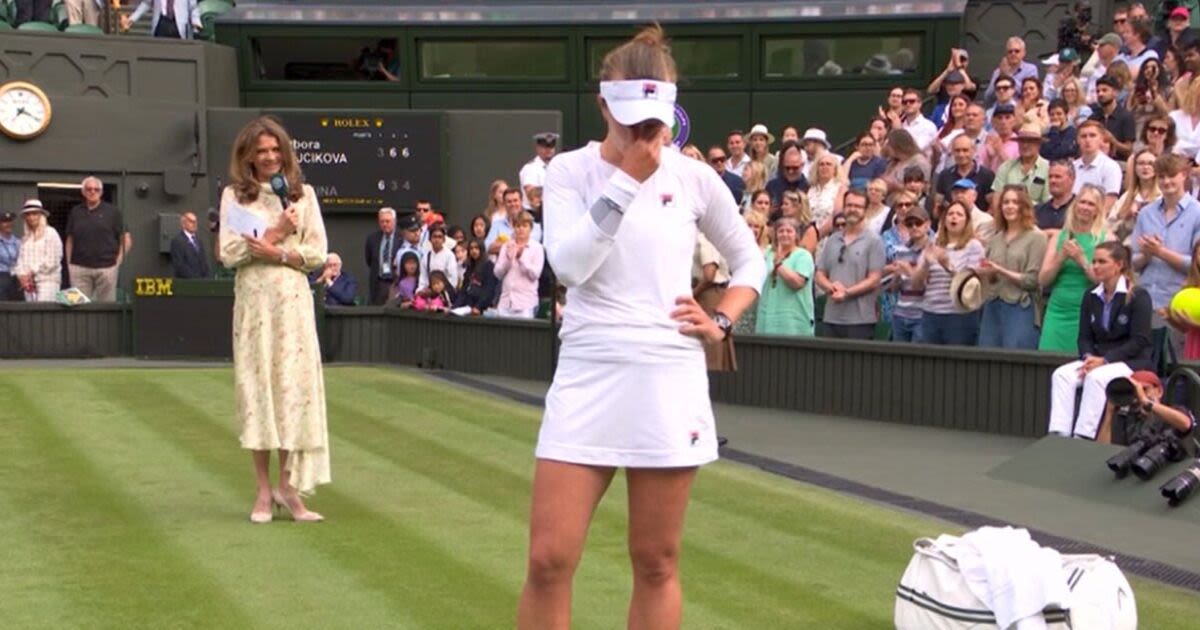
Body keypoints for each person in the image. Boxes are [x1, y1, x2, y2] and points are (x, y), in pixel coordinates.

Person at [524, 25, 765, 629]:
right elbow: (571, 267)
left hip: (667, 374)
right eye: (629, 116)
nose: (643, 131)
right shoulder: (569, 173)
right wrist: (629, 177)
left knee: (656, 560)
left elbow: (750, 260)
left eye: (653, 117)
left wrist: (720, 319)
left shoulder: (694, 177)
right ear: (603, 105)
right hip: (587, 372)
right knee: (549, 559)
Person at [217, 116, 329, 523]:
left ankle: (289, 489)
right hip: (254, 303)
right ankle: (263, 492)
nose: (268, 157)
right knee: (259, 390)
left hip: (293, 302)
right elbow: (229, 253)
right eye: (260, 151)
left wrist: (279, 252)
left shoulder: (304, 195)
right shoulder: (235, 196)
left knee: (292, 391)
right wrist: (275, 231)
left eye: (274, 149)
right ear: (247, 156)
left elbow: (316, 253)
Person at [1047, 242, 1153, 439]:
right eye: (1094, 261)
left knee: (1097, 377)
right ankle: (1059, 435)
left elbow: (1140, 340)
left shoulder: (1139, 295)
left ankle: (1083, 436)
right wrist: (1088, 358)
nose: (1095, 266)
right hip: (1097, 360)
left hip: (1130, 362)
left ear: (1119, 264)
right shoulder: (1090, 295)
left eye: (1102, 261)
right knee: (1061, 375)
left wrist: (1105, 361)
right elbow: (1084, 337)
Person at [1131, 152, 1200, 365]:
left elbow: (1196, 265)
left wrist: (1161, 252)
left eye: (1172, 175)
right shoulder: (1146, 213)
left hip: (1179, 304)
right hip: (1147, 302)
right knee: (1146, 368)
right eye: (1161, 176)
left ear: (1184, 176)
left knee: (1176, 371)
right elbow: (1135, 261)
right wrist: (1147, 254)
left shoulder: (1197, 213)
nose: (1166, 181)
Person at [1038, 184, 1108, 352]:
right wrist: (1061, 257)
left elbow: (1105, 282)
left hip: (1088, 311)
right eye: (1082, 202)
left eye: (1091, 204)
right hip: (1058, 309)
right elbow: (1043, 279)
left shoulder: (1106, 239)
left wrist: (1082, 260)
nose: (1085, 207)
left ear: (1098, 210)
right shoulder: (1059, 237)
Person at [977, 186, 1048, 349]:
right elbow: (993, 278)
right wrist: (987, 272)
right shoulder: (996, 239)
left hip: (1020, 307)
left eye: (1015, 202)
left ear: (1024, 206)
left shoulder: (1036, 237)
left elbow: (1032, 281)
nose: (1009, 206)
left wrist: (1000, 270)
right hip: (993, 305)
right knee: (987, 358)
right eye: (1005, 202)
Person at [814, 189, 885, 339]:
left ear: (866, 210)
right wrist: (831, 288)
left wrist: (847, 293)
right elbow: (820, 273)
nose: (853, 209)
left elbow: (874, 279)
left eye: (858, 206)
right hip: (831, 318)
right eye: (849, 205)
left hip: (860, 320)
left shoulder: (874, 241)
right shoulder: (833, 239)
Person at [911, 201, 985, 345]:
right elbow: (916, 284)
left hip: (959, 317)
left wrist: (947, 266)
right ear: (944, 220)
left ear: (967, 221)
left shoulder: (973, 246)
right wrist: (925, 264)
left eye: (959, 214)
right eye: (950, 214)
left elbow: (971, 283)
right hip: (931, 313)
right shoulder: (933, 245)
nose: (954, 217)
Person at [65, 176, 131, 303]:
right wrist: (69, 263)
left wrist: (117, 263)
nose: (92, 192)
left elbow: (126, 239)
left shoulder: (113, 212)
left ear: (101, 192)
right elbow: (70, 239)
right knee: (78, 307)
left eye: (96, 189)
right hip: (79, 269)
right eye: (89, 189)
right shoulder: (75, 212)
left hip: (106, 268)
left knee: (106, 308)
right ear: (83, 192)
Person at [756, 217, 814, 336]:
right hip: (767, 316)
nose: (785, 234)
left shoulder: (803, 255)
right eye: (781, 231)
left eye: (789, 231)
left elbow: (797, 283)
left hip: (792, 320)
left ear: (796, 235)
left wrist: (779, 265)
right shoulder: (767, 253)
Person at [886, 203, 931, 342]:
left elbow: (931, 286)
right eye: (909, 224)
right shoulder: (901, 250)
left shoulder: (934, 251)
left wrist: (909, 271)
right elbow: (894, 289)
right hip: (900, 312)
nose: (914, 227)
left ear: (927, 225)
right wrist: (897, 276)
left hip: (922, 315)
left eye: (918, 223)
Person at [493, 211, 544, 318]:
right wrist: (508, 260)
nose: (521, 229)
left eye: (524, 226)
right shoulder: (506, 246)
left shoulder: (537, 248)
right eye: (518, 226)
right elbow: (497, 273)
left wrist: (521, 258)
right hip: (505, 302)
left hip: (526, 303)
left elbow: (535, 275)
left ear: (530, 228)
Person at [991, 123, 1052, 208]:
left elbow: (1048, 203)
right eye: (1022, 141)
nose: (1025, 145)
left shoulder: (1048, 169)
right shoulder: (1005, 167)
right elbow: (997, 199)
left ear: (1038, 144)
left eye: (1030, 141)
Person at [12, 200, 62, 303]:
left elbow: (52, 261)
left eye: (34, 213)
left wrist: (32, 273)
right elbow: (20, 261)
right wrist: (22, 276)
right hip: (29, 285)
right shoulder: (26, 238)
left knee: (44, 314)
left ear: (41, 215)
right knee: (31, 315)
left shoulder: (51, 233)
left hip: (47, 281)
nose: (31, 217)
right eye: (28, 214)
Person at [1111, 149, 1162, 245]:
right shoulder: (1127, 196)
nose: (1145, 167)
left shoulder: (1163, 196)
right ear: (1135, 168)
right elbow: (1110, 226)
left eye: (1150, 164)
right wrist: (1127, 215)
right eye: (1141, 163)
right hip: (1128, 243)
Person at [1072, 121, 1123, 213]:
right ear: (1077, 140)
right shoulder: (1072, 167)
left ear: (1101, 139)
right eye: (1083, 136)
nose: (1087, 140)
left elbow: (1109, 201)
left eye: (1092, 135)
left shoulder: (1111, 167)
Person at [1090, 75, 1137, 160]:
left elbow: (1129, 150)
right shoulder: (1093, 118)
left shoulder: (1126, 117)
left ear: (1115, 92)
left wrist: (1113, 140)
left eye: (1104, 90)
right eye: (1098, 91)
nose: (1100, 94)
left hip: (1119, 162)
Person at [487, 189, 543, 257]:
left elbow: (531, 247)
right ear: (504, 204)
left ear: (521, 202)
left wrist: (503, 244)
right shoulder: (496, 225)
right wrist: (514, 244)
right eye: (509, 201)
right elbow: (488, 248)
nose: (513, 204)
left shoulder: (535, 226)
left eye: (515, 200)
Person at [985, 37, 1040, 105]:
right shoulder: (998, 72)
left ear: (1024, 53)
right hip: (1001, 110)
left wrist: (1008, 76)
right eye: (1010, 51)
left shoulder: (1031, 69)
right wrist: (999, 78)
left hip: (1022, 109)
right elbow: (988, 98)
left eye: (1017, 51)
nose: (1013, 54)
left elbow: (1029, 93)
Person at [363, 207, 401, 305]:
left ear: (394, 221)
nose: (384, 224)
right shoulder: (372, 239)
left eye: (387, 221)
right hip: (379, 283)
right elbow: (369, 260)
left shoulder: (402, 238)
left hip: (396, 282)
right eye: (382, 221)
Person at [454, 239, 498, 315]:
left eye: (476, 248)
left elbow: (489, 291)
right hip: (467, 306)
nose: (474, 251)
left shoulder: (488, 266)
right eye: (471, 248)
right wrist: (455, 307)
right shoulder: (470, 266)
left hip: (482, 309)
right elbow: (464, 289)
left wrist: (478, 307)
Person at [122, 0, 202, 39]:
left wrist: (196, 22)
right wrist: (132, 19)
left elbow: (193, 7)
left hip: (179, 25)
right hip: (161, 23)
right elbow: (146, 3)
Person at [766, 141, 810, 207]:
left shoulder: (808, 187)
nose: (790, 171)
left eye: (795, 168)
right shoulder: (772, 186)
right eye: (787, 168)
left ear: (802, 165)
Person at [521, 133, 558, 210]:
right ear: (538, 148)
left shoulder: (555, 167)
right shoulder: (531, 168)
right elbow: (532, 195)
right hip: (534, 214)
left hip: (551, 212)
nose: (549, 150)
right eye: (545, 147)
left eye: (551, 146)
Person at [1037, 160, 1077, 231]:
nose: (1053, 181)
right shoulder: (1038, 211)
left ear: (1072, 179)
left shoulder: (1079, 209)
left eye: (1058, 177)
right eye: (1050, 177)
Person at [418, 224, 460, 291]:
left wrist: (442, 290)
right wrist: (421, 291)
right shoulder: (426, 257)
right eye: (434, 237)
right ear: (430, 239)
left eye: (440, 237)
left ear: (444, 240)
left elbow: (453, 278)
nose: (437, 239)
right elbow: (423, 278)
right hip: (430, 292)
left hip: (446, 293)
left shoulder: (449, 255)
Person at [169, 212, 211, 279]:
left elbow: (203, 262)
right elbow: (179, 265)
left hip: (202, 283)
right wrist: (195, 278)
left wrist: (206, 277)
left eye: (195, 221)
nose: (194, 224)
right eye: (191, 221)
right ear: (183, 224)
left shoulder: (199, 241)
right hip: (186, 282)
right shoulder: (177, 241)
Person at [0, 211, 22, 301]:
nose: (8, 224)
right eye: (5, 222)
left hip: (15, 277)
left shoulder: (18, 242)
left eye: (10, 221)